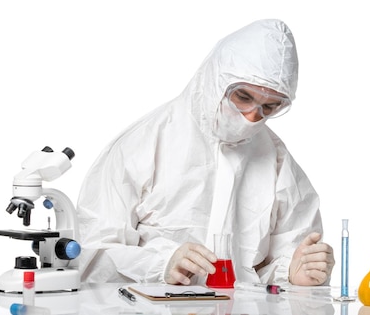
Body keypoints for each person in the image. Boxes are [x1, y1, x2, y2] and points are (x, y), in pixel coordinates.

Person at [76, 19, 334, 286]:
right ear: (216, 80)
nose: (252, 117)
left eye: (269, 107)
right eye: (243, 97)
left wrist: (292, 274)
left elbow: (276, 268)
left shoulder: (277, 161)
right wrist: (160, 266)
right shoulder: (142, 145)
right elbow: (91, 258)